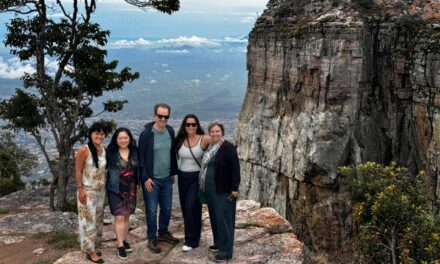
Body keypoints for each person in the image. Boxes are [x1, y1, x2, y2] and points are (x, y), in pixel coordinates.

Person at [139, 103, 180, 253]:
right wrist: (145, 178)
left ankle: (163, 232)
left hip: (166, 178)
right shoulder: (147, 134)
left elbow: (171, 154)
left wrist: (172, 173)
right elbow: (141, 158)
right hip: (152, 180)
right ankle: (151, 238)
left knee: (167, 209)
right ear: (154, 115)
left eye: (166, 116)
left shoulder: (170, 131)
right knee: (151, 210)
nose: (163, 119)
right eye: (160, 116)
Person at [200, 122, 240, 263]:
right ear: (209, 133)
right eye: (212, 131)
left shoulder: (227, 147)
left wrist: (235, 188)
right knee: (215, 216)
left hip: (223, 189)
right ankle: (218, 243)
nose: (215, 133)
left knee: (224, 219)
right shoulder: (211, 146)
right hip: (211, 188)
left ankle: (226, 251)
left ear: (222, 132)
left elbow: (235, 167)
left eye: (218, 131)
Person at [75, 122, 110, 264]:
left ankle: (92, 245)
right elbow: (78, 170)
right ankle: (90, 251)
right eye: (96, 133)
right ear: (91, 134)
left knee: (98, 220)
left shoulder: (103, 148)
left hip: (100, 191)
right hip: (88, 191)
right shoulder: (84, 150)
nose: (99, 136)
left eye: (102, 134)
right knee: (88, 221)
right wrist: (80, 189)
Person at [175, 114, 211, 252]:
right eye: (188, 124)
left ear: (197, 125)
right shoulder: (179, 139)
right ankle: (194, 236)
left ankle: (191, 241)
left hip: (196, 177)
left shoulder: (204, 139)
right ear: (184, 126)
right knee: (186, 209)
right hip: (182, 177)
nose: (191, 127)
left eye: (193, 124)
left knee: (192, 207)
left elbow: (220, 144)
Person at [106, 127, 139, 260]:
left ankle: (123, 240)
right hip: (115, 189)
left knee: (126, 217)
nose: (123, 140)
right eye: (120, 138)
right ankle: (120, 245)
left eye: (125, 138)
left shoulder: (135, 152)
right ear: (116, 140)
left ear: (130, 138)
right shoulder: (111, 152)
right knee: (119, 217)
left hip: (130, 189)